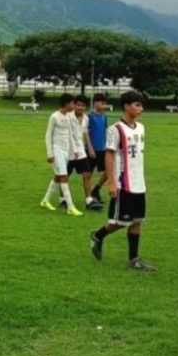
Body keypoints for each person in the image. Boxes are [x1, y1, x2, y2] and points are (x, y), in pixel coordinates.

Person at [88, 91, 153, 269]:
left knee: (137, 220)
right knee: (120, 221)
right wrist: (112, 182)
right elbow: (109, 155)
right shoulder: (115, 129)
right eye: (137, 105)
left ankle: (134, 260)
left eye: (141, 105)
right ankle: (98, 235)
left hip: (139, 183)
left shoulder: (141, 128)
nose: (141, 109)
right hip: (124, 183)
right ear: (126, 106)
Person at [41, 93, 82, 216]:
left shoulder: (69, 116)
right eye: (72, 103)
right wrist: (49, 153)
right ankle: (70, 206)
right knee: (64, 177)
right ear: (66, 104)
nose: (74, 106)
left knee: (58, 176)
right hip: (56, 150)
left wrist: (74, 149)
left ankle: (45, 200)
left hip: (66, 151)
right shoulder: (54, 117)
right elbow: (48, 135)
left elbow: (70, 133)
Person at [67, 95, 96, 208]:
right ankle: (63, 198)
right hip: (68, 151)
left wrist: (90, 148)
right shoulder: (68, 117)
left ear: (85, 107)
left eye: (82, 105)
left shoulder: (86, 118)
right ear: (74, 105)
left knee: (87, 174)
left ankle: (89, 199)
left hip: (81, 150)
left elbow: (85, 133)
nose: (80, 107)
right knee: (66, 176)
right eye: (78, 105)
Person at [87, 93, 109, 208]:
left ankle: (97, 189)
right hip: (91, 150)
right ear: (95, 102)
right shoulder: (90, 116)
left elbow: (105, 132)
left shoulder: (104, 117)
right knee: (88, 174)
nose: (103, 105)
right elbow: (86, 134)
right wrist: (90, 148)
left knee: (108, 171)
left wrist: (107, 146)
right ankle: (90, 197)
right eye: (101, 103)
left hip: (102, 149)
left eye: (105, 103)